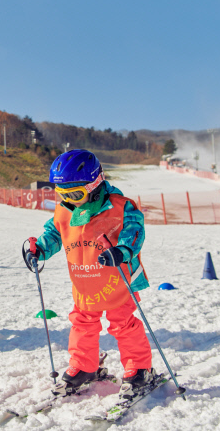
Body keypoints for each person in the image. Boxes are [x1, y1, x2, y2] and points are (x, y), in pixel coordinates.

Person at [23, 149, 153, 399]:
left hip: (118, 283)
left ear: (95, 184)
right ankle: (84, 366)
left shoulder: (120, 208)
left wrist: (123, 250)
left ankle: (139, 368)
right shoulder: (65, 210)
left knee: (123, 324)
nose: (69, 200)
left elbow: (134, 232)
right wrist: (39, 249)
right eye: (62, 194)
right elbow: (53, 234)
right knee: (82, 323)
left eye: (75, 194)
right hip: (85, 283)